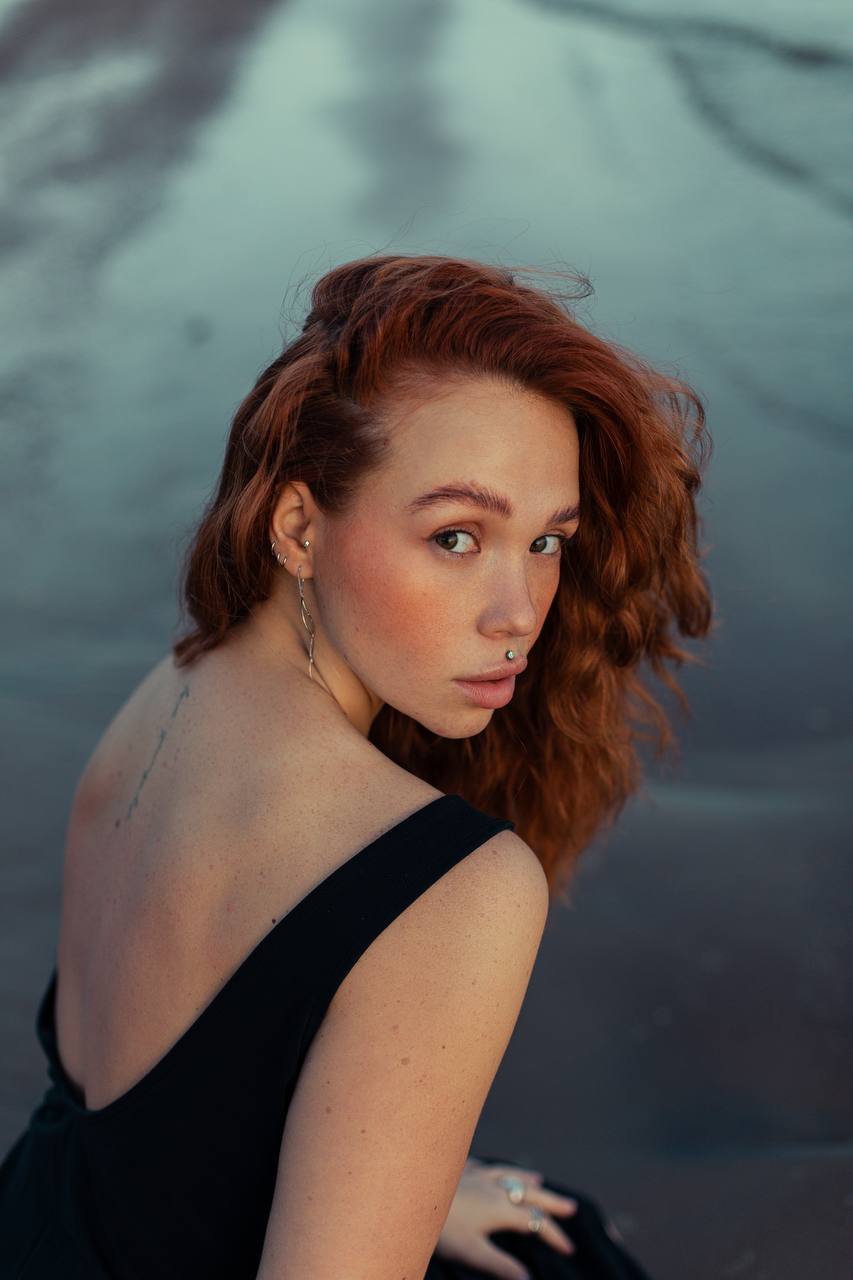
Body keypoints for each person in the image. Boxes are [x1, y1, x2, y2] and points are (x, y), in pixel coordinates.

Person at [0, 253, 713, 1279]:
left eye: (547, 542)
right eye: (456, 537)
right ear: (299, 526)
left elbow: (172, 1126)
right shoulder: (457, 887)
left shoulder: (175, 689)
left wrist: (403, 1192)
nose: (519, 613)